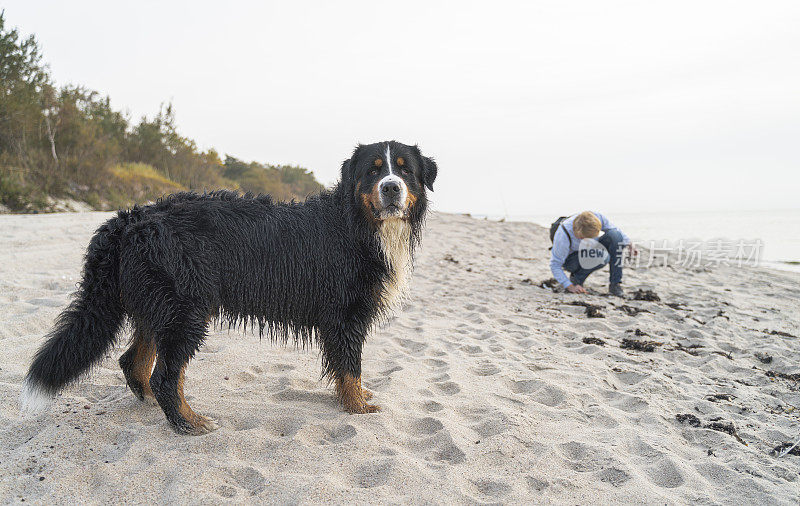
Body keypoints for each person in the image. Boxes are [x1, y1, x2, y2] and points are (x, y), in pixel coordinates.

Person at [550, 211, 636, 297]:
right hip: (572, 260)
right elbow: (555, 265)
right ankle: (576, 279)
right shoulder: (562, 235)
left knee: (615, 236)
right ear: (576, 230)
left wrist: (629, 244)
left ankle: (615, 284)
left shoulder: (596, 217)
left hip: (590, 250)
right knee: (602, 257)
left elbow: (614, 230)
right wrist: (569, 286)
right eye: (583, 238)